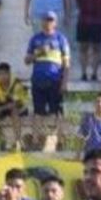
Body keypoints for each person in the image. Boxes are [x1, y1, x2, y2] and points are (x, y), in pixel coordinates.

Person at [25, 11, 70, 152]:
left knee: (57, 112)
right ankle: (35, 141)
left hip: (55, 80)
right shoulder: (35, 39)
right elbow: (27, 60)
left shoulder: (61, 39)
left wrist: (64, 82)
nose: (48, 22)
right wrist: (38, 53)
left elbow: (66, 63)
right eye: (46, 20)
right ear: (42, 21)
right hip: (38, 80)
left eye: (51, 20)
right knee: (38, 112)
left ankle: (60, 141)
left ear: (55, 23)